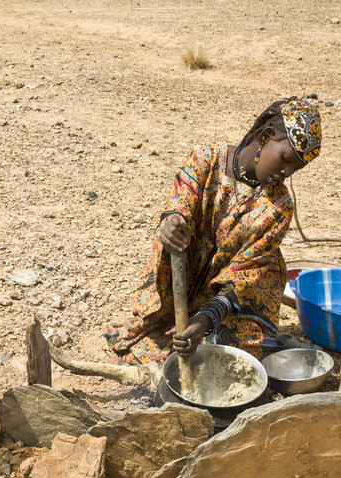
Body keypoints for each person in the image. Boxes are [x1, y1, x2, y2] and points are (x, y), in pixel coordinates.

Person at [101, 97, 322, 367]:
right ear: (266, 136)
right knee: (152, 347)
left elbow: (248, 272)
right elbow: (178, 204)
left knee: (230, 360)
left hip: (231, 299)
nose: (285, 172)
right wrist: (172, 224)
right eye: (285, 159)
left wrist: (205, 320)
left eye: (296, 168)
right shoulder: (206, 159)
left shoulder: (278, 206)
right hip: (185, 282)